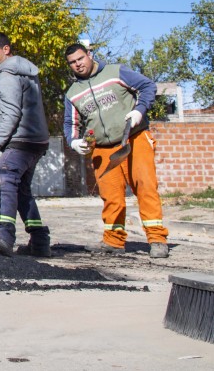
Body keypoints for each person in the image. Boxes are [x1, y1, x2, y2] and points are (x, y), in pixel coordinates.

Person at [63, 43, 168, 258]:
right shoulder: (73, 93)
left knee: (145, 187)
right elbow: (69, 124)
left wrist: (139, 111)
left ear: (89, 55)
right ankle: (113, 241)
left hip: (134, 138)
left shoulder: (116, 72)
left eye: (80, 59)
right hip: (102, 148)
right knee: (111, 197)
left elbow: (148, 86)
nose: (78, 64)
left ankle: (157, 239)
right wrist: (74, 141)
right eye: (72, 63)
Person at [0, 31, 52, 258]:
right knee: (21, 190)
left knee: (4, 179)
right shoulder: (26, 71)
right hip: (37, 139)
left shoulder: (6, 74)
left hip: (20, 140)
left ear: (6, 49)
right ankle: (40, 241)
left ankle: (5, 237)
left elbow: (11, 115)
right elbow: (20, 103)